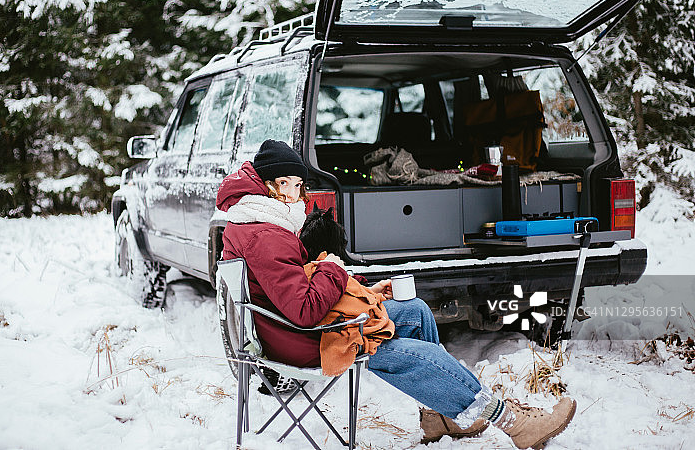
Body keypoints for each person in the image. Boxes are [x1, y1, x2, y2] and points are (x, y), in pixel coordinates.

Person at [216, 139, 576, 449]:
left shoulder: (256, 222)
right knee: (408, 352)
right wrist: (335, 269)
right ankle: (512, 421)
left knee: (414, 310)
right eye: (287, 183)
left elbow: (297, 285)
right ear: (265, 185)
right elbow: (305, 310)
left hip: (287, 329)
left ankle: (440, 414)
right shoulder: (266, 233)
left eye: (298, 184)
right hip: (305, 340)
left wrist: (360, 292)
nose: (297, 194)